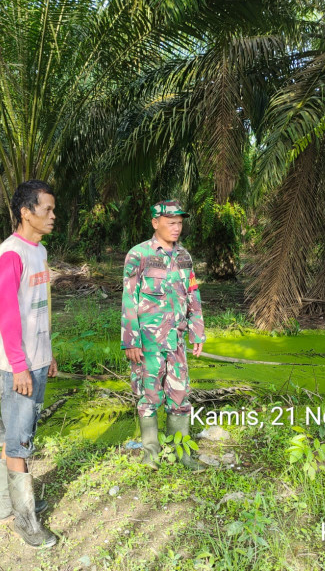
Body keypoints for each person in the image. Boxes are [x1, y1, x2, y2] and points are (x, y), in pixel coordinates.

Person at [0, 180, 59, 548]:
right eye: (46, 209)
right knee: (20, 442)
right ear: (25, 212)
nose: (53, 215)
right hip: (18, 363)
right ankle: (26, 520)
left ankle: (5, 506)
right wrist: (18, 367)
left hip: (35, 356)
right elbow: (8, 316)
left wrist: (48, 353)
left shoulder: (39, 252)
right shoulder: (11, 253)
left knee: (17, 432)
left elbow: (38, 306)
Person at [121, 200, 207, 470]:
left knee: (180, 396)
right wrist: (130, 341)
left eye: (179, 222)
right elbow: (129, 299)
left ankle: (182, 454)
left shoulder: (184, 257)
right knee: (149, 398)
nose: (176, 227)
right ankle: (151, 456)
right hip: (148, 343)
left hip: (176, 340)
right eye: (171, 222)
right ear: (155, 223)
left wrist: (197, 331)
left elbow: (192, 292)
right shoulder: (139, 255)